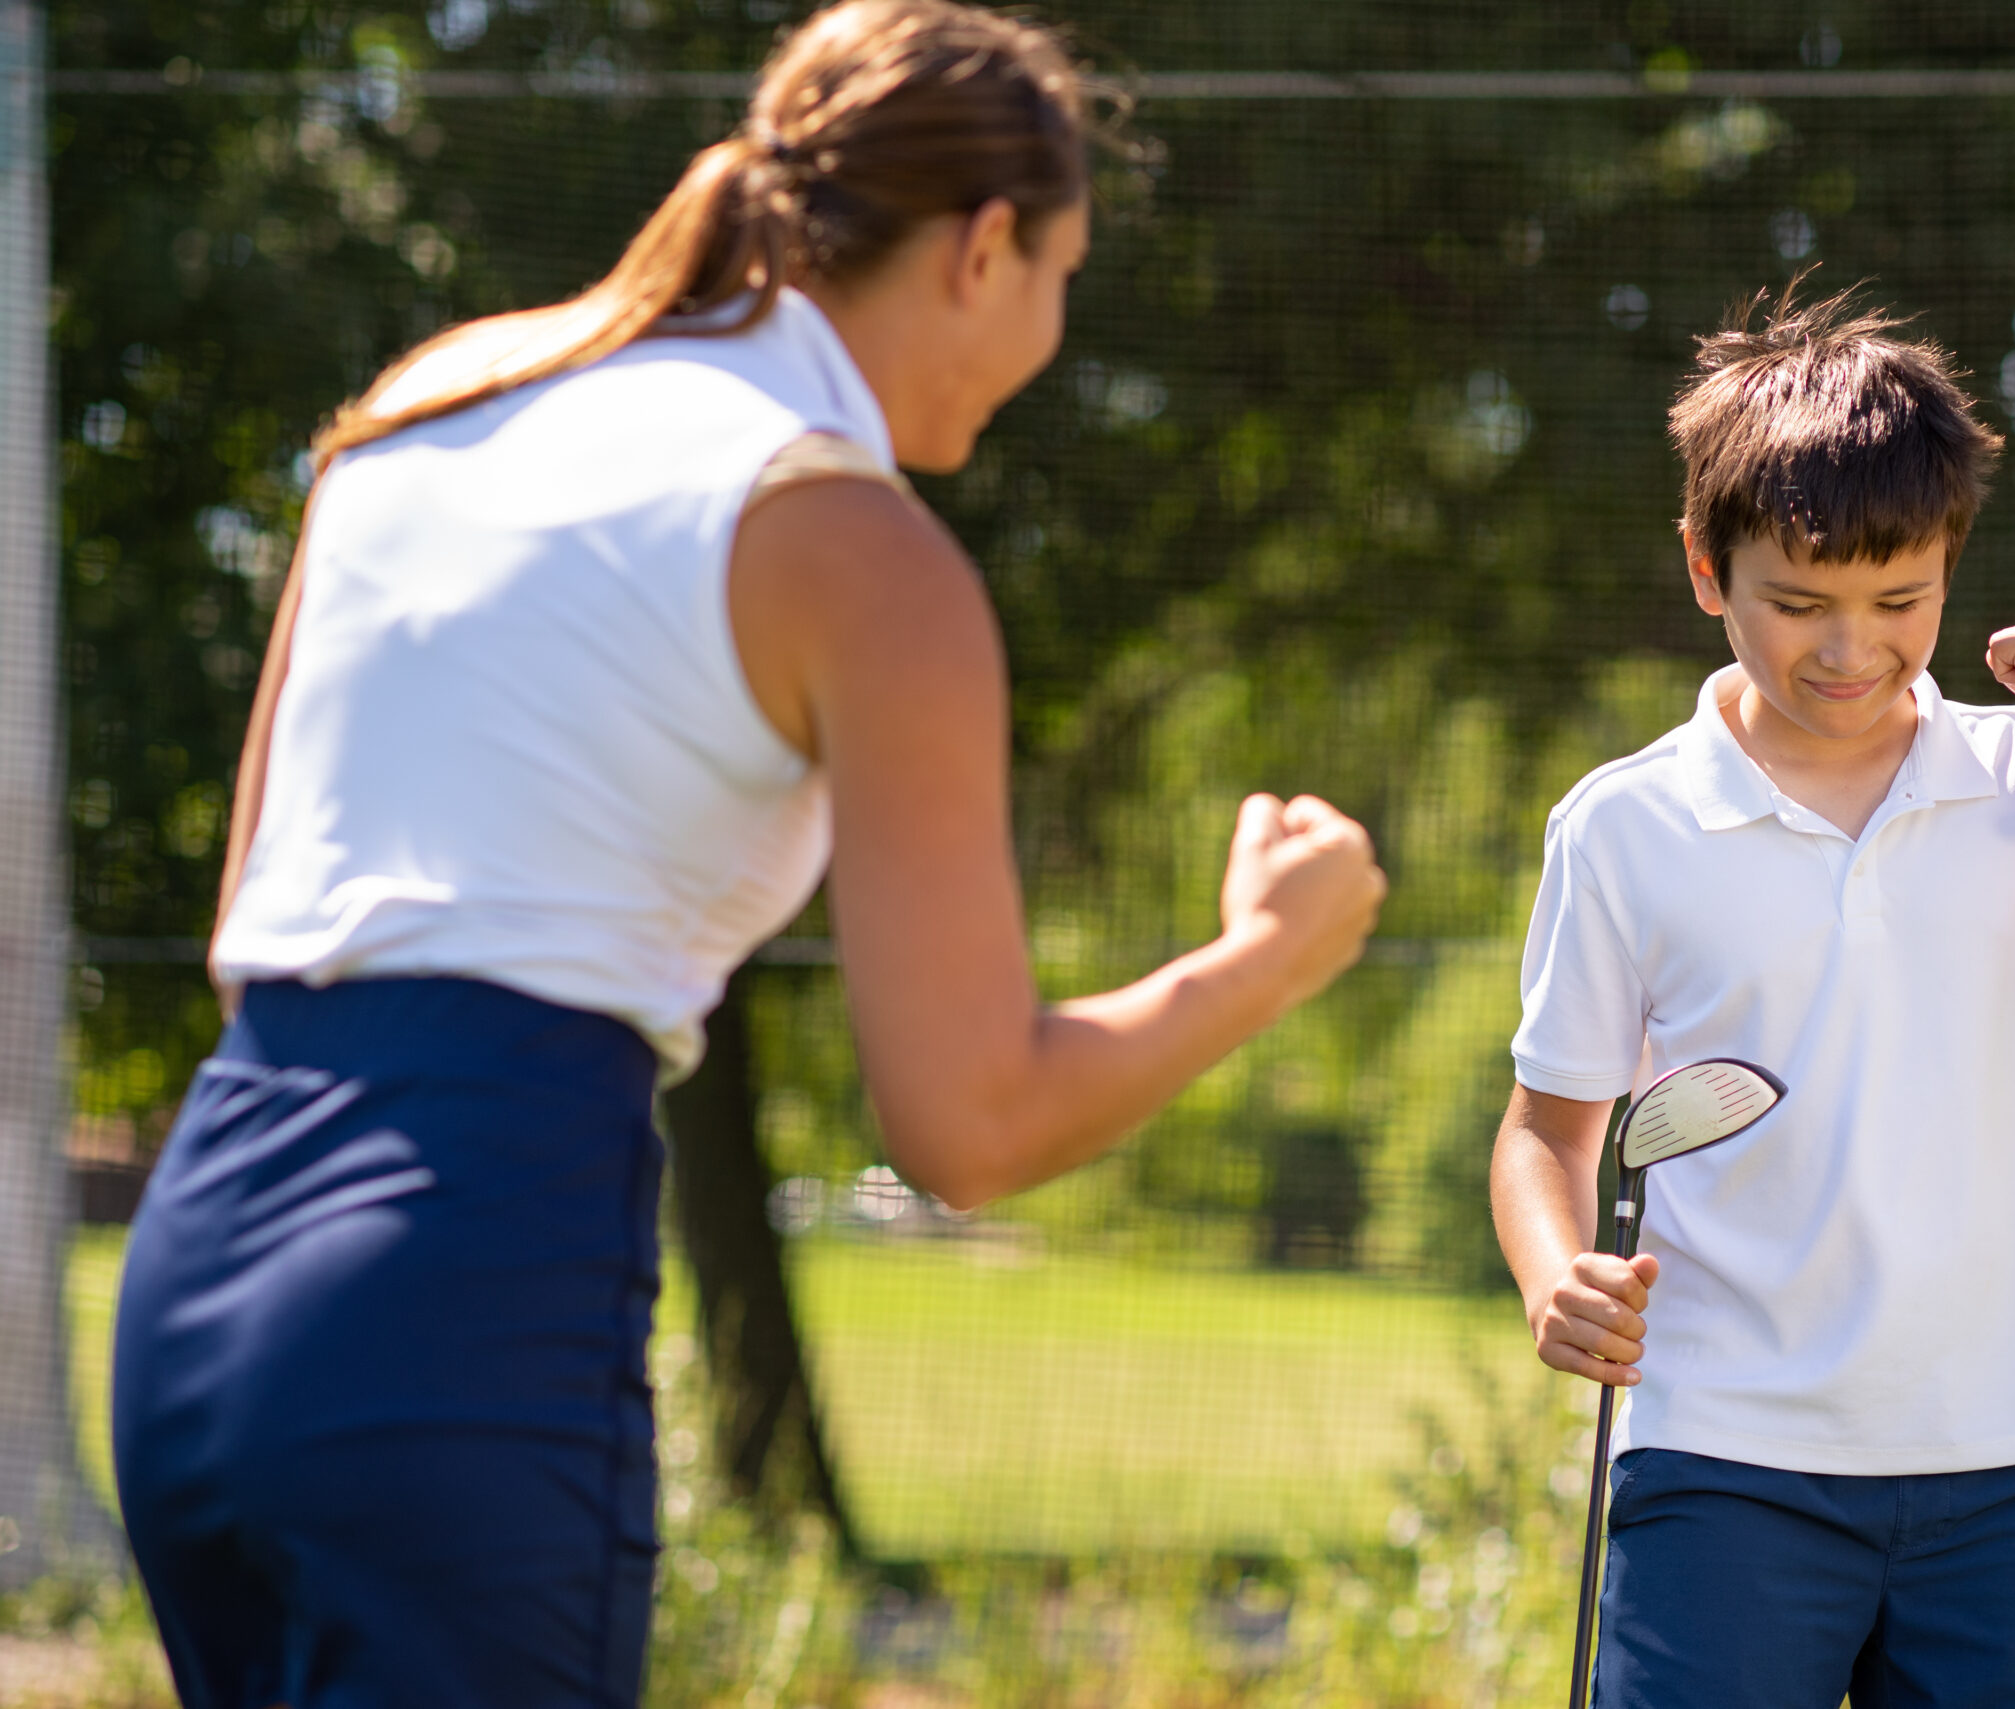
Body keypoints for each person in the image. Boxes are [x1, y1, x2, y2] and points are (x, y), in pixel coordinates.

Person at [109, 6, 1387, 1705]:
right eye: (1063, 272)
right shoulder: (857, 548)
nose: (1055, 330)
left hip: (201, 1268)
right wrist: (1266, 960)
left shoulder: (438, 393)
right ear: (987, 246)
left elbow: (255, 902)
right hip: (458, 1295)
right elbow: (969, 1123)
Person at [1488, 287, 2015, 1709]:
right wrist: (1552, 1277)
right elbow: (1545, 1132)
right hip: (1722, 1464)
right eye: (1799, 604)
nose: (1852, 650)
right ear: (1708, 569)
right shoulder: (1623, 826)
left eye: (1900, 602)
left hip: (2010, 1471)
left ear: (1952, 567)